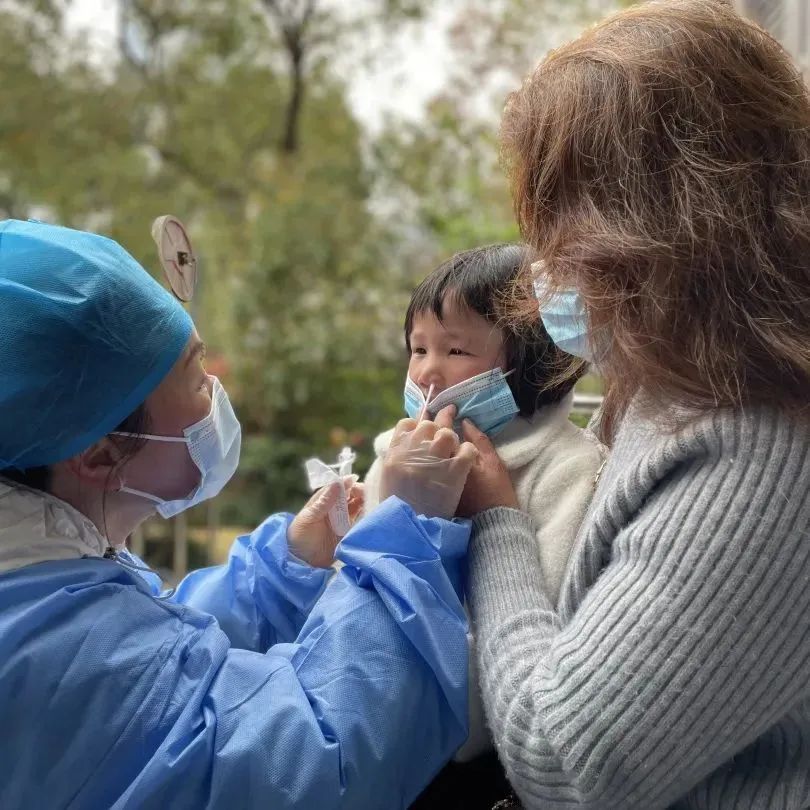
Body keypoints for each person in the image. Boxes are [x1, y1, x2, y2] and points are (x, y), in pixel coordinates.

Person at [457, 1, 810, 808]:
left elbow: (567, 764)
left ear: (664, 218)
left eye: (564, 217)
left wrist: (498, 522)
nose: (547, 261)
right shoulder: (683, 375)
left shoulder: (759, 445)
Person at [0, 218, 479, 809]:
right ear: (100, 453)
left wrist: (282, 572)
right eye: (197, 379)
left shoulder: (38, 574)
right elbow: (313, 765)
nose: (216, 395)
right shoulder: (53, 652)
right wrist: (404, 539)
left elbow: (160, 665)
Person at [363, 245, 603, 775]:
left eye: (455, 351)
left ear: (532, 361)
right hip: (366, 731)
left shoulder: (568, 471)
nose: (427, 373)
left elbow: (548, 628)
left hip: (482, 755)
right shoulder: (394, 458)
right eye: (417, 348)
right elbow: (351, 603)